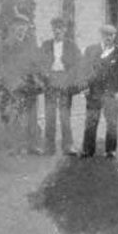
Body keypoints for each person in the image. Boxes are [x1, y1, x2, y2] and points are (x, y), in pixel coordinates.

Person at [79, 25, 118, 158]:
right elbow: (83, 70)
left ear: (115, 37)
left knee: (112, 122)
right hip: (94, 92)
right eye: (106, 35)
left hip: (111, 93)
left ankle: (110, 150)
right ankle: (88, 149)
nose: (108, 38)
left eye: (111, 35)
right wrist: (84, 87)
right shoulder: (91, 50)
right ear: (101, 35)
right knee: (91, 121)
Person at [0, 15, 44, 156]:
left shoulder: (30, 44)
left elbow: (35, 63)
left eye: (24, 26)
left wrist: (37, 79)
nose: (21, 29)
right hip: (15, 85)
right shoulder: (6, 45)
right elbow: (4, 67)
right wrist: (12, 84)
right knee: (15, 116)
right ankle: (14, 147)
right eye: (18, 26)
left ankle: (32, 145)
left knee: (32, 116)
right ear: (13, 28)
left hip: (30, 85)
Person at [40, 17, 81, 156]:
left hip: (65, 80)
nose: (58, 31)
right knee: (50, 114)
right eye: (55, 28)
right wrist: (45, 75)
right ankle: (49, 146)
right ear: (52, 29)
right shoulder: (46, 45)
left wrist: (71, 78)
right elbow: (40, 62)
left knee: (65, 115)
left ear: (65, 30)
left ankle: (68, 145)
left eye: (61, 28)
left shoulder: (71, 45)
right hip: (51, 80)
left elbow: (78, 64)